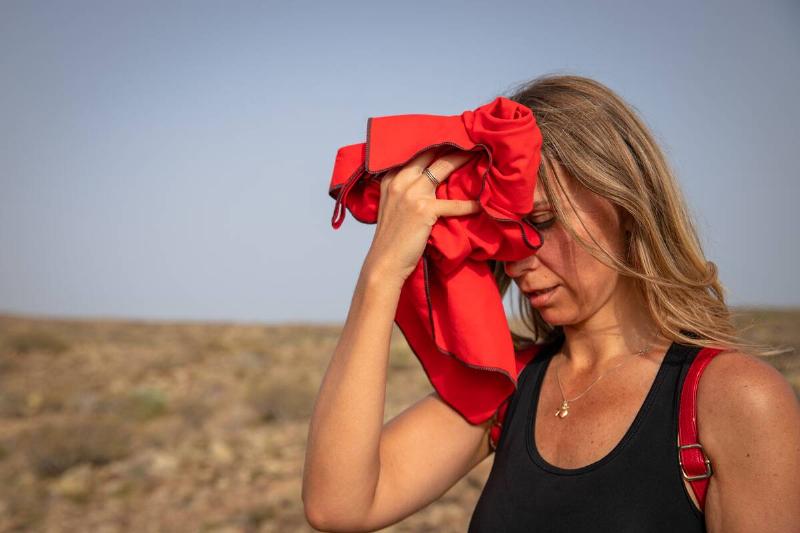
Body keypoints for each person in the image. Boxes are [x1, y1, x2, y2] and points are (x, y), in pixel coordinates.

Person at [302, 74, 800, 532]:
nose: (515, 262)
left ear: (623, 200)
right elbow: (338, 504)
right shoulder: (511, 387)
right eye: (497, 237)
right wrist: (382, 272)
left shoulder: (732, 400)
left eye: (538, 223)